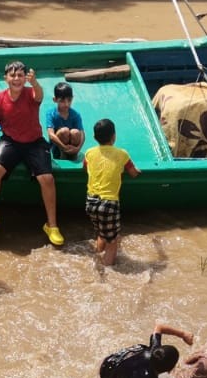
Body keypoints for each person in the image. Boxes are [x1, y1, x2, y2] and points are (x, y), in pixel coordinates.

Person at [0, 59, 63, 246]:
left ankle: (52, 225)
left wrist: (35, 83)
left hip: (34, 143)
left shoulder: (31, 93)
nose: (16, 79)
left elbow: (39, 95)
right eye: (12, 75)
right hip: (10, 141)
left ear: (25, 78)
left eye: (20, 75)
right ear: (5, 78)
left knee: (47, 178)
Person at [83, 118, 140, 267]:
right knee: (113, 241)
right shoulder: (122, 154)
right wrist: (137, 171)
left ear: (95, 138)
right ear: (114, 136)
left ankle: (97, 257)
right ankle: (108, 270)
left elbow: (85, 168)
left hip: (91, 202)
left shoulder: (89, 153)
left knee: (102, 233)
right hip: (109, 203)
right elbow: (133, 173)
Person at [98, 321, 193, 378]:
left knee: (141, 349)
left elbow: (159, 326)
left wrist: (183, 334)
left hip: (109, 362)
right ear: (169, 370)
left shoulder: (154, 349)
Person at [45, 82, 85, 162]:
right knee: (64, 131)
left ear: (72, 98)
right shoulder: (51, 113)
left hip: (73, 149)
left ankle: (73, 155)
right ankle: (62, 155)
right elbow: (51, 135)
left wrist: (78, 148)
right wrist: (64, 148)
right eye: (62, 101)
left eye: (69, 100)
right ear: (55, 100)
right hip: (58, 149)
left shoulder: (75, 114)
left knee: (76, 132)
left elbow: (82, 134)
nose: (66, 104)